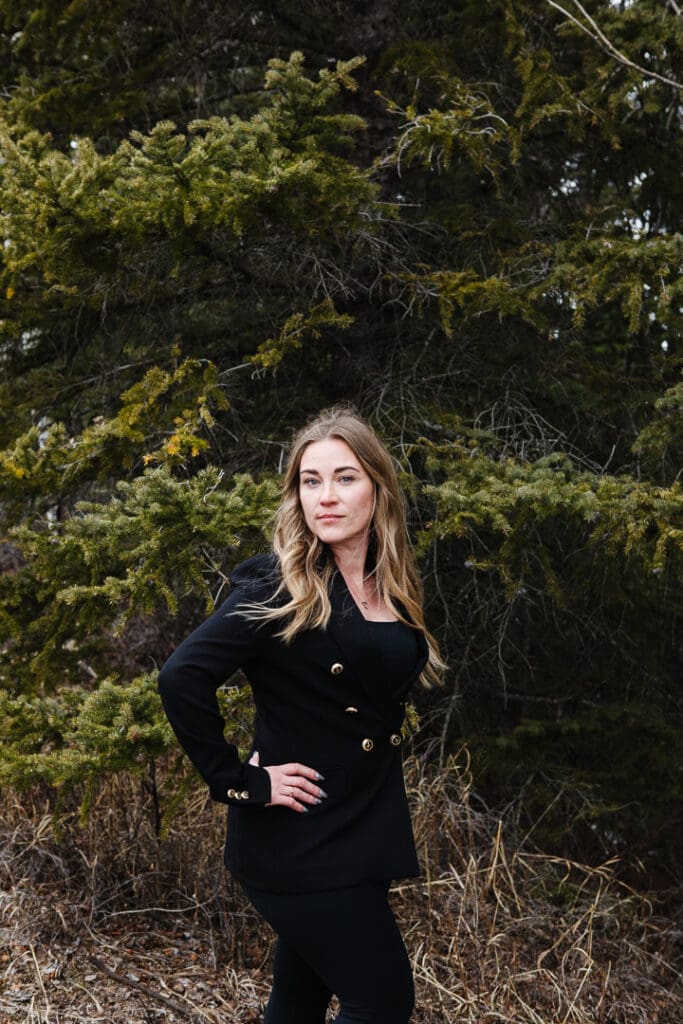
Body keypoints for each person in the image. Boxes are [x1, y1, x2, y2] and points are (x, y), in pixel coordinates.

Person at [157, 405, 444, 1024]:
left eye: (345, 478)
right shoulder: (277, 585)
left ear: (378, 487)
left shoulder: (387, 584)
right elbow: (181, 677)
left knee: (299, 997)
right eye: (310, 481)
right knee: (382, 1001)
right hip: (299, 835)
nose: (327, 497)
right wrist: (242, 781)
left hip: (362, 825)